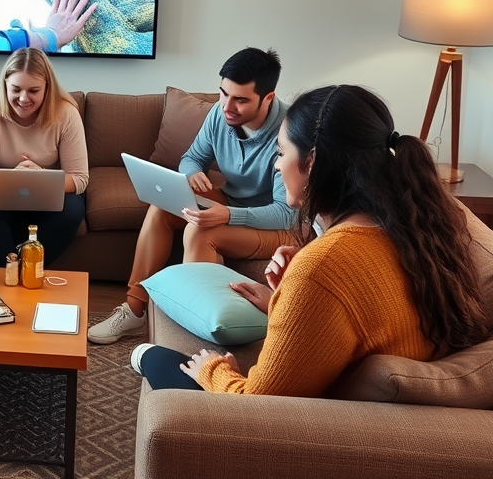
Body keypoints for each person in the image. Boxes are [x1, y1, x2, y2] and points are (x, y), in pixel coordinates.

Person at [131, 84, 493, 395]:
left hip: (305, 425)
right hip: (352, 402)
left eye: (281, 153)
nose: (276, 165)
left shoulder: (324, 263)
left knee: (153, 356)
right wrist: (282, 300)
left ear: (313, 162)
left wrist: (213, 369)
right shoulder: (414, 228)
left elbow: (257, 404)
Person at [88, 47, 296, 344]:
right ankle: (134, 311)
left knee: (199, 233)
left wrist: (227, 214)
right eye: (223, 93)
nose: (227, 106)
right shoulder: (219, 114)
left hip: (276, 225)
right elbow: (192, 157)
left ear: (268, 98)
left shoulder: (287, 134)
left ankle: (194, 337)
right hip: (232, 203)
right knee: (162, 208)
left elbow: (285, 212)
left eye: (240, 99)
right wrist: (191, 172)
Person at [0, 48, 88, 266]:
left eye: (33, 91)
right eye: (16, 89)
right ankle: (9, 266)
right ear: (5, 86)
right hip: (1, 198)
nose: (23, 98)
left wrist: (41, 178)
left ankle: (30, 269)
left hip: (46, 199)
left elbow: (79, 179)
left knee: (73, 208)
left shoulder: (67, 114)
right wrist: (13, 178)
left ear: (47, 89)